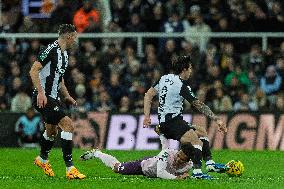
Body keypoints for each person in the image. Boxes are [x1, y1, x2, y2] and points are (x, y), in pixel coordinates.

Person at [143, 55, 227, 179]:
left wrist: (147, 116)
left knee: (201, 132)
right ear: (184, 69)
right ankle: (197, 172)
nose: (191, 71)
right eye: (190, 68)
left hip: (167, 122)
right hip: (173, 123)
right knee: (196, 141)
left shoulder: (164, 78)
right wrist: (217, 119)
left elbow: (148, 95)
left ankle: (210, 163)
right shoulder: (181, 86)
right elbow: (198, 105)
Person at [29, 24, 86, 179]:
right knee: (68, 125)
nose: (75, 40)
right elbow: (33, 70)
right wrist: (40, 93)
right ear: (68, 36)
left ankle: (42, 159)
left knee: (51, 131)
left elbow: (59, 78)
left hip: (54, 97)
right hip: (44, 97)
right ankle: (70, 168)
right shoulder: (51, 50)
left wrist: (67, 95)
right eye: (74, 36)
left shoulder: (64, 54)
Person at [80, 134, 192, 180]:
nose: (178, 159)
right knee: (117, 168)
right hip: (143, 167)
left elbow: (181, 173)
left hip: (151, 172)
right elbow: (160, 173)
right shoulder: (167, 153)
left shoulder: (189, 165)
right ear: (178, 152)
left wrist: (185, 176)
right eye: (178, 156)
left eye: (181, 159)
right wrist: (177, 178)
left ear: (187, 161)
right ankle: (97, 153)